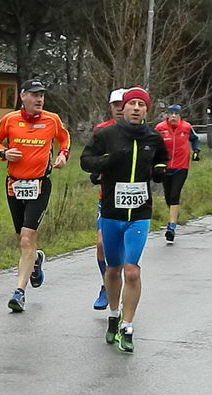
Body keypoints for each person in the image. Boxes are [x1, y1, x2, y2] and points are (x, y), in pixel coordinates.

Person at [81, 86, 168, 352]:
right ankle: (113, 314)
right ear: (124, 108)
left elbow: (162, 160)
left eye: (142, 105)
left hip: (140, 213)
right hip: (111, 212)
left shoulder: (153, 138)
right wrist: (105, 162)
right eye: (132, 104)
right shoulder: (106, 134)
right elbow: (86, 160)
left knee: (132, 271)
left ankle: (127, 326)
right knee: (113, 269)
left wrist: (160, 170)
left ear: (146, 110)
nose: (136, 108)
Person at [0, 79, 70, 312]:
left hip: (39, 185)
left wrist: (63, 155)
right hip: (14, 185)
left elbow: (64, 139)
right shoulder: (10, 120)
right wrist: (5, 153)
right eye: (34, 95)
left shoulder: (52, 119)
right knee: (21, 239)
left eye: (42, 95)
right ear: (23, 96)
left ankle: (19, 292)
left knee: (27, 238)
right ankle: (36, 261)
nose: (39, 99)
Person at [90, 88, 126, 310]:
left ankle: (118, 286)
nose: (120, 109)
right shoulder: (101, 131)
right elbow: (91, 158)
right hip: (107, 197)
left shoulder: (141, 132)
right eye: (116, 105)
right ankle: (106, 284)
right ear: (111, 107)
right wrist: (96, 170)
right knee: (102, 245)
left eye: (124, 104)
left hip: (132, 201)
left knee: (122, 252)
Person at [155, 104, 199, 243]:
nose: (173, 116)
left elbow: (195, 139)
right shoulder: (160, 128)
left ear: (180, 116)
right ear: (167, 115)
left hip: (181, 166)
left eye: (176, 114)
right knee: (168, 196)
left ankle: (171, 227)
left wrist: (196, 151)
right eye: (171, 113)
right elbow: (153, 144)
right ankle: (174, 213)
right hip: (165, 167)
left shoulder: (186, 127)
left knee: (175, 194)